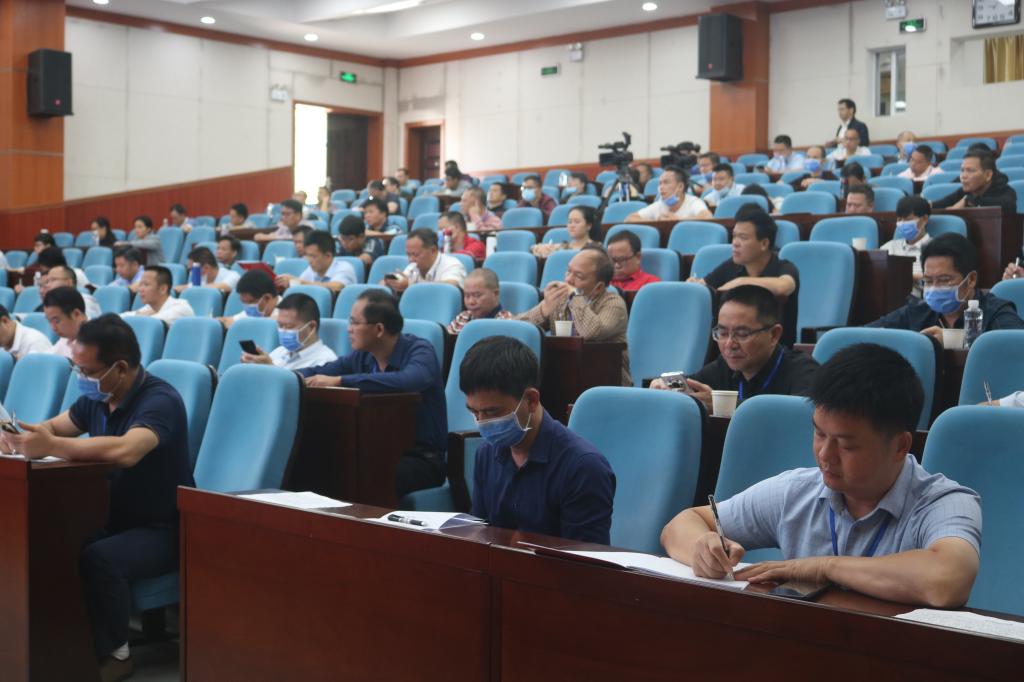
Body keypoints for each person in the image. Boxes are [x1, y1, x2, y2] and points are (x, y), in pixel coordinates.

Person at [660, 343, 980, 608]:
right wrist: (703, 546)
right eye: (819, 434)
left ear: (900, 446)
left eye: (846, 444)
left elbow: (947, 580)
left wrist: (823, 567)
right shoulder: (797, 490)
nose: (825, 455)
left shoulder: (943, 502)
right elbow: (682, 524)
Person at [0, 314, 193, 679]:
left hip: (164, 528)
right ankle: (52, 643)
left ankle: (117, 654)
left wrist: (51, 445)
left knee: (100, 557)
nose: (81, 378)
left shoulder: (160, 400)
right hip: (113, 517)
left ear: (120, 368)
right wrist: (20, 436)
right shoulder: (98, 396)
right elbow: (55, 427)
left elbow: (127, 450)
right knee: (52, 540)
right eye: (77, 369)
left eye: (88, 371)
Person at [462, 336, 615, 543]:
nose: (482, 423)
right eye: (474, 412)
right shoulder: (486, 454)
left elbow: (586, 560)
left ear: (531, 400)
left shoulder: (583, 467)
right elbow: (480, 537)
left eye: (492, 412)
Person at [299, 290, 447, 497]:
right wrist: (285, 378)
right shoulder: (362, 356)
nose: (348, 329)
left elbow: (409, 381)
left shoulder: (420, 350)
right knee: (317, 464)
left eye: (354, 322)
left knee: (365, 475)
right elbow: (321, 371)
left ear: (379, 329)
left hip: (421, 459)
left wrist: (342, 381)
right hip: (375, 451)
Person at [650, 285, 819, 408]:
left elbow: (796, 417)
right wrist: (664, 388)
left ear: (774, 335)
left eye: (742, 334)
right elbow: (693, 386)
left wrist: (721, 405)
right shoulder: (725, 366)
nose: (730, 344)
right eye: (722, 333)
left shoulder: (804, 371)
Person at [867, 233, 1024, 342]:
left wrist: (954, 340)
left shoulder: (995, 310)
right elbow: (866, 334)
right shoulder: (918, 311)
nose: (935, 288)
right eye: (928, 281)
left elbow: (1015, 346)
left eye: (944, 280)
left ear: (971, 279)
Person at [518, 246, 631, 385]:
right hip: (563, 379)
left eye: (578, 276)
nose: (568, 280)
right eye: (568, 271)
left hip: (606, 382)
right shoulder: (561, 300)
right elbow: (519, 329)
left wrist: (576, 296)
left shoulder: (614, 304)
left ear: (599, 287)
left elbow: (589, 332)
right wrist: (544, 309)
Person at [691, 208, 800, 346]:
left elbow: (784, 286)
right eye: (734, 236)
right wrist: (694, 285)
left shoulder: (784, 267)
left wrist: (741, 282)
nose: (735, 243)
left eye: (743, 237)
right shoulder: (731, 265)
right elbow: (705, 285)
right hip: (731, 348)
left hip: (775, 351)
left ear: (764, 244)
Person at [241, 293, 337, 370]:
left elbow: (298, 388)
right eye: (280, 325)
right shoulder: (279, 352)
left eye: (289, 326)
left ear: (311, 326)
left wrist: (271, 369)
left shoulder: (326, 361)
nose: (283, 331)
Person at [931, 151, 1018, 214]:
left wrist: (969, 201)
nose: (963, 176)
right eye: (962, 170)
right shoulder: (964, 192)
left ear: (988, 175)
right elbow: (940, 204)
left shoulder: (1006, 191)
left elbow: (1008, 206)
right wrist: (926, 205)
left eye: (970, 170)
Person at [382, 228, 466, 293]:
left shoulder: (452, 264)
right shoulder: (412, 266)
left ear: (433, 250)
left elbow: (451, 286)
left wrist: (410, 285)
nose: (411, 260)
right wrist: (390, 283)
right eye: (408, 255)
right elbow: (396, 281)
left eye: (415, 254)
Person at [881, 195, 932, 295]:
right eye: (899, 220)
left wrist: (908, 276)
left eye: (908, 219)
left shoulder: (936, 249)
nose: (902, 223)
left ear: (924, 219)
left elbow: (936, 281)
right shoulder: (888, 247)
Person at [275, 230, 355, 293]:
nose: (309, 260)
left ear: (328, 256)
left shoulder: (344, 268)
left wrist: (296, 282)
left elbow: (337, 287)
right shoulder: (311, 269)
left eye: (313, 256)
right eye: (307, 255)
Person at [626, 166, 712, 222]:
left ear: (680, 186)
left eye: (666, 182)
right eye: (660, 183)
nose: (661, 187)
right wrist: (656, 222)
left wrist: (678, 220)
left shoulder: (693, 202)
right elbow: (629, 219)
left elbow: (707, 216)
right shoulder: (660, 204)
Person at [447, 268, 513, 334]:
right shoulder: (462, 317)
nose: (471, 302)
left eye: (477, 295)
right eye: (467, 296)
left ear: (496, 293)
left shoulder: (506, 322)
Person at [121, 266, 195, 324]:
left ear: (163, 289)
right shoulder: (150, 308)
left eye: (146, 285)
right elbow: (120, 318)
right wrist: (138, 314)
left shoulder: (181, 308)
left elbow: (149, 324)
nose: (140, 289)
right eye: (140, 285)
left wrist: (139, 316)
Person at [530, 205, 601, 258]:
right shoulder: (564, 247)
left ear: (589, 226)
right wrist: (542, 249)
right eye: (570, 222)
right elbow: (533, 248)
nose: (572, 225)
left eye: (577, 222)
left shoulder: (596, 249)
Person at [43, 286, 87, 359]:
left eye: (57, 321)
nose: (53, 328)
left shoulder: (96, 344)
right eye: (49, 321)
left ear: (76, 314)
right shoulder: (65, 340)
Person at [175, 246, 240, 294]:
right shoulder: (201, 279)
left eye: (192, 269)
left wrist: (193, 289)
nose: (191, 273)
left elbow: (225, 287)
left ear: (206, 268)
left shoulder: (233, 276)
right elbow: (183, 287)